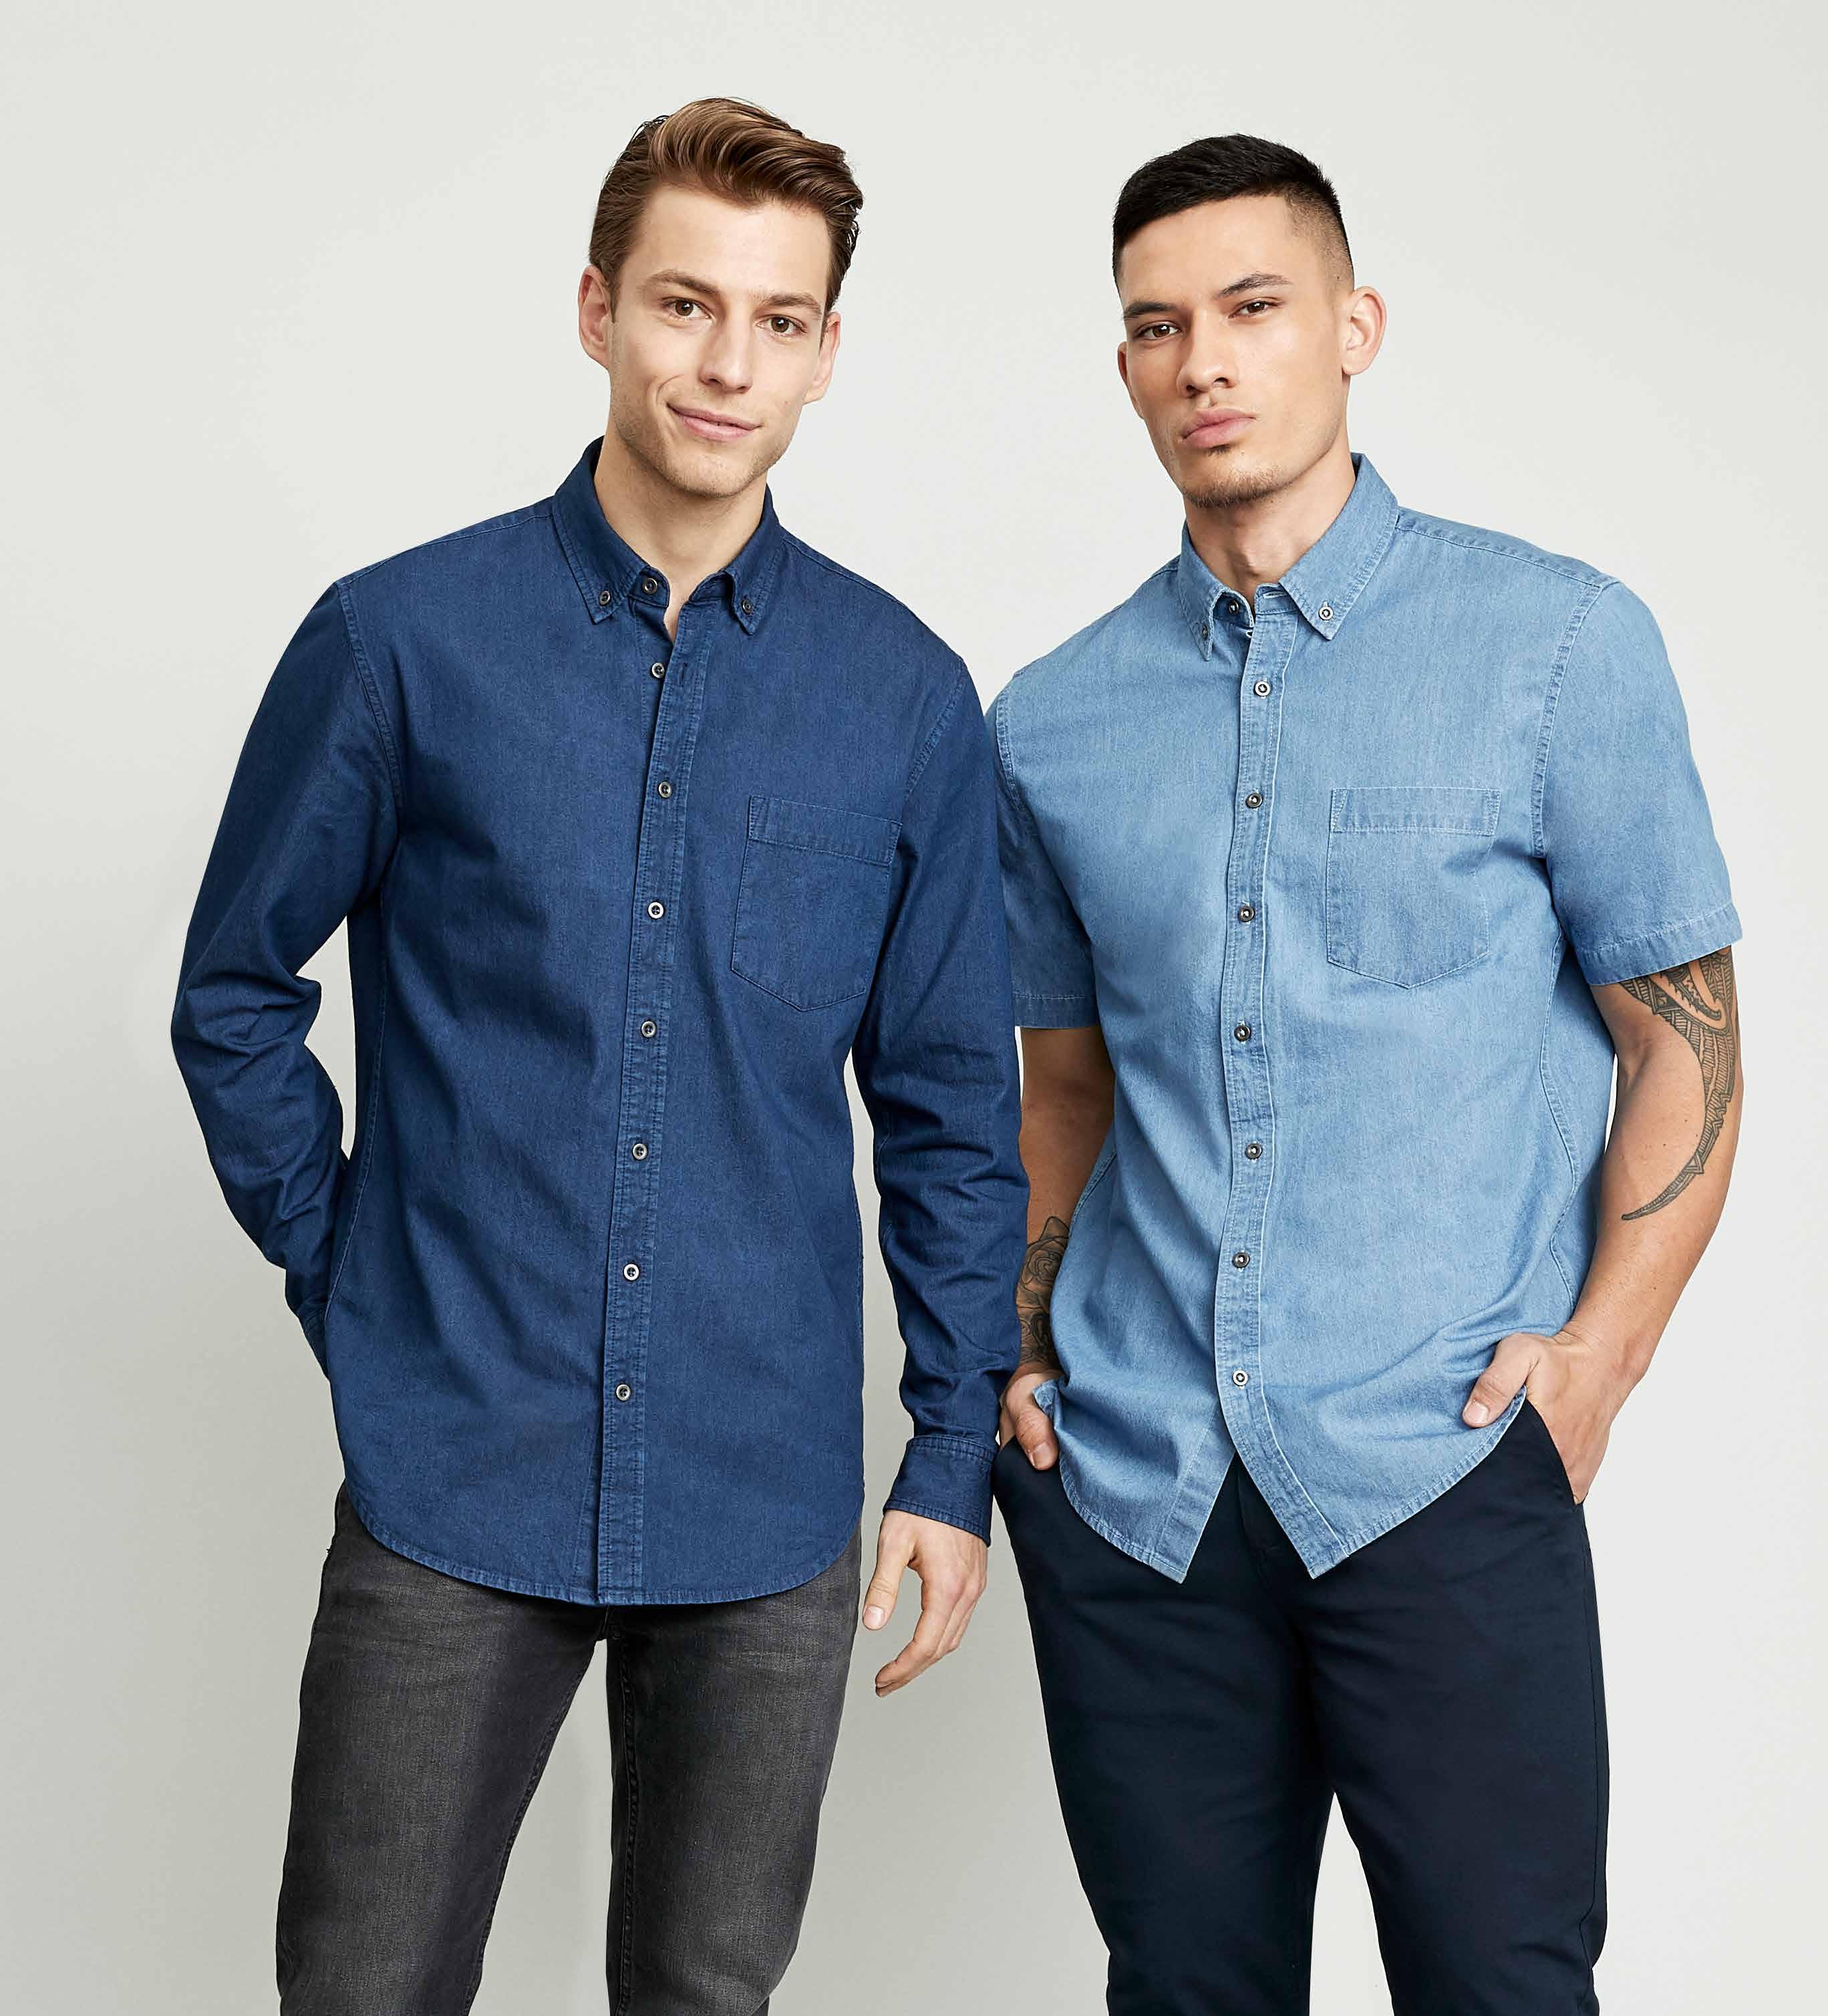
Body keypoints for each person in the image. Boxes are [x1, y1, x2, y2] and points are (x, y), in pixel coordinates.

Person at [171, 96, 1026, 2015]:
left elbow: (954, 1112)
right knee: (364, 1990)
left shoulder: (904, 700)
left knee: (707, 1997)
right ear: (596, 311)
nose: (727, 364)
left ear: (826, 351)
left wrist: (949, 1447)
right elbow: (233, 987)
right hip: (453, 1465)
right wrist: (352, 1275)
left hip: (763, 1490)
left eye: (779, 321)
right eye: (684, 304)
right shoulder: (400, 642)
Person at [989, 133, 1741, 2015]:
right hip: (1143, 1490)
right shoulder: (1051, 723)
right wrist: (1018, 1352)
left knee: (1501, 1988)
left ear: (1354, 326)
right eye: (1156, 326)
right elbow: (1063, 1092)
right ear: (1123, 364)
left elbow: (1684, 1044)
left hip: (1443, 1466)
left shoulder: (1556, 646)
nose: (1203, 363)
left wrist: (1598, 1365)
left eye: (1252, 308)